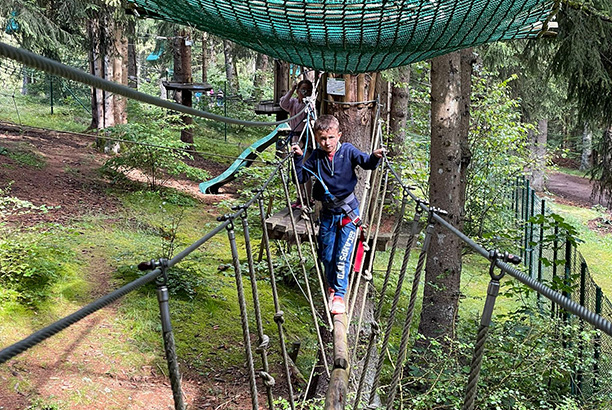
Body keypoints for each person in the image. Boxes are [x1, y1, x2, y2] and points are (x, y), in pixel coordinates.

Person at [292, 115, 384, 314]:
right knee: (326, 256)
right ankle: (332, 286)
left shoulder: (348, 151)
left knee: (342, 255)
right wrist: (298, 157)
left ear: (339, 135)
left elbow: (366, 162)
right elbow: (300, 177)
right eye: (323, 139)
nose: (327, 143)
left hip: (348, 214)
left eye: (331, 138)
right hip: (327, 214)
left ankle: (340, 295)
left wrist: (375, 156)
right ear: (317, 138)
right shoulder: (316, 157)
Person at [280, 79, 314, 208]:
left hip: (305, 139)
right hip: (295, 138)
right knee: (296, 170)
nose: (304, 92)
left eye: (307, 90)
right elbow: (283, 104)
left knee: (305, 169)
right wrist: (292, 89)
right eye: (302, 89)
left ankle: (307, 198)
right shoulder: (293, 102)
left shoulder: (309, 104)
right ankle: (300, 197)